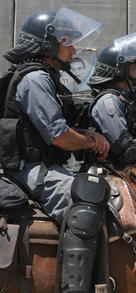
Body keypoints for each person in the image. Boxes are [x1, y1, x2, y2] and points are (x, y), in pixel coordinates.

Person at [1, 8, 110, 292]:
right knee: (83, 203)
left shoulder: (46, 77)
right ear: (48, 43)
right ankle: (75, 288)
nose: (74, 50)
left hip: (40, 165)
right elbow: (59, 135)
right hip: (26, 168)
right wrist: (90, 141)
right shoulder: (35, 79)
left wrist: (87, 134)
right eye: (67, 43)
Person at [88, 29, 136, 168]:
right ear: (121, 69)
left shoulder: (126, 101)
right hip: (112, 174)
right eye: (134, 65)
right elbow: (125, 146)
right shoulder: (109, 100)